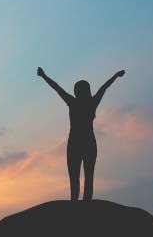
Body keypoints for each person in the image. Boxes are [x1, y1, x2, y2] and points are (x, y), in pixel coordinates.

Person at [37, 67, 126, 201]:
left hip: (78, 143)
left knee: (79, 179)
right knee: (83, 179)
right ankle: (81, 207)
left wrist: (44, 76)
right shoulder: (89, 102)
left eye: (78, 90)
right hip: (83, 143)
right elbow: (103, 88)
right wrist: (115, 76)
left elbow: (57, 88)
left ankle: (81, 208)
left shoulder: (74, 102)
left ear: (78, 91)